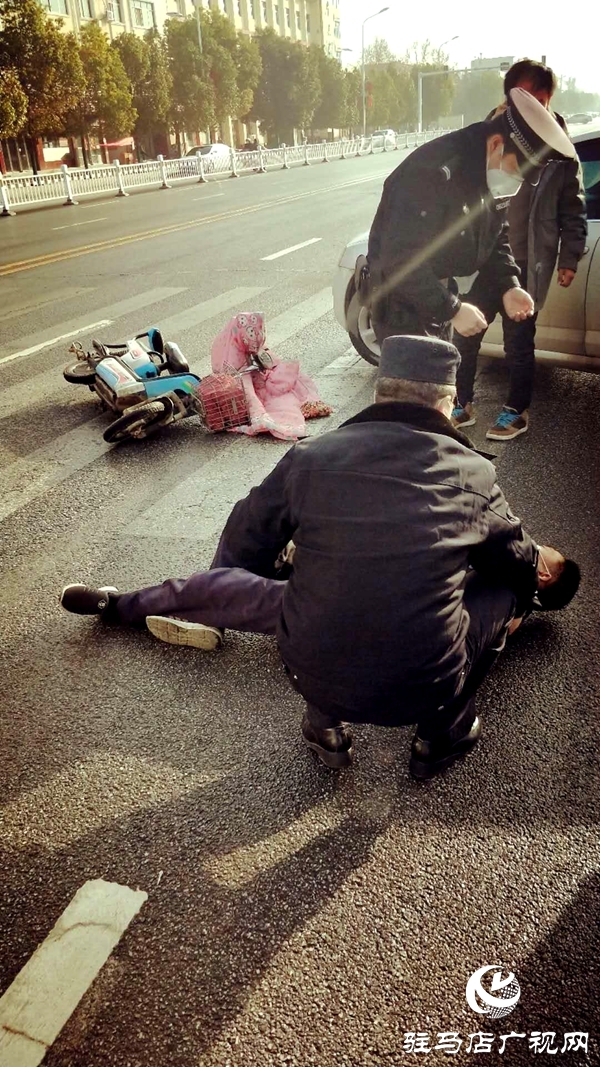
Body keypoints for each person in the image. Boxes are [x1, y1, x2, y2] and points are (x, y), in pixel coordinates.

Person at [61, 336, 580, 781]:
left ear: (379, 393)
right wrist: (515, 595)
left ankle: (320, 723)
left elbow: (246, 532)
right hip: (423, 686)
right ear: (446, 404)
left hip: (307, 667)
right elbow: (517, 564)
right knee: (509, 584)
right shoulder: (473, 474)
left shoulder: (313, 456)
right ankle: (440, 736)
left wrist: (259, 575)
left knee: (233, 589)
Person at [365, 89, 576, 354]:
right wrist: (452, 309)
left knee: (442, 378)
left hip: (438, 295)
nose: (516, 181)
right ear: (496, 144)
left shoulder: (488, 168)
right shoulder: (432, 171)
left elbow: (496, 235)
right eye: (516, 170)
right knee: (413, 381)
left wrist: (509, 284)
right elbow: (398, 258)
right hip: (400, 306)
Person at [453, 60, 587, 441]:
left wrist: (569, 257)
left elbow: (573, 207)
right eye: (523, 98)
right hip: (486, 259)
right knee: (466, 333)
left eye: (539, 101)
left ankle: (516, 410)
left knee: (518, 343)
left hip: (528, 262)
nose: (533, 108)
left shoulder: (560, 149)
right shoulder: (492, 134)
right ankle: (461, 403)